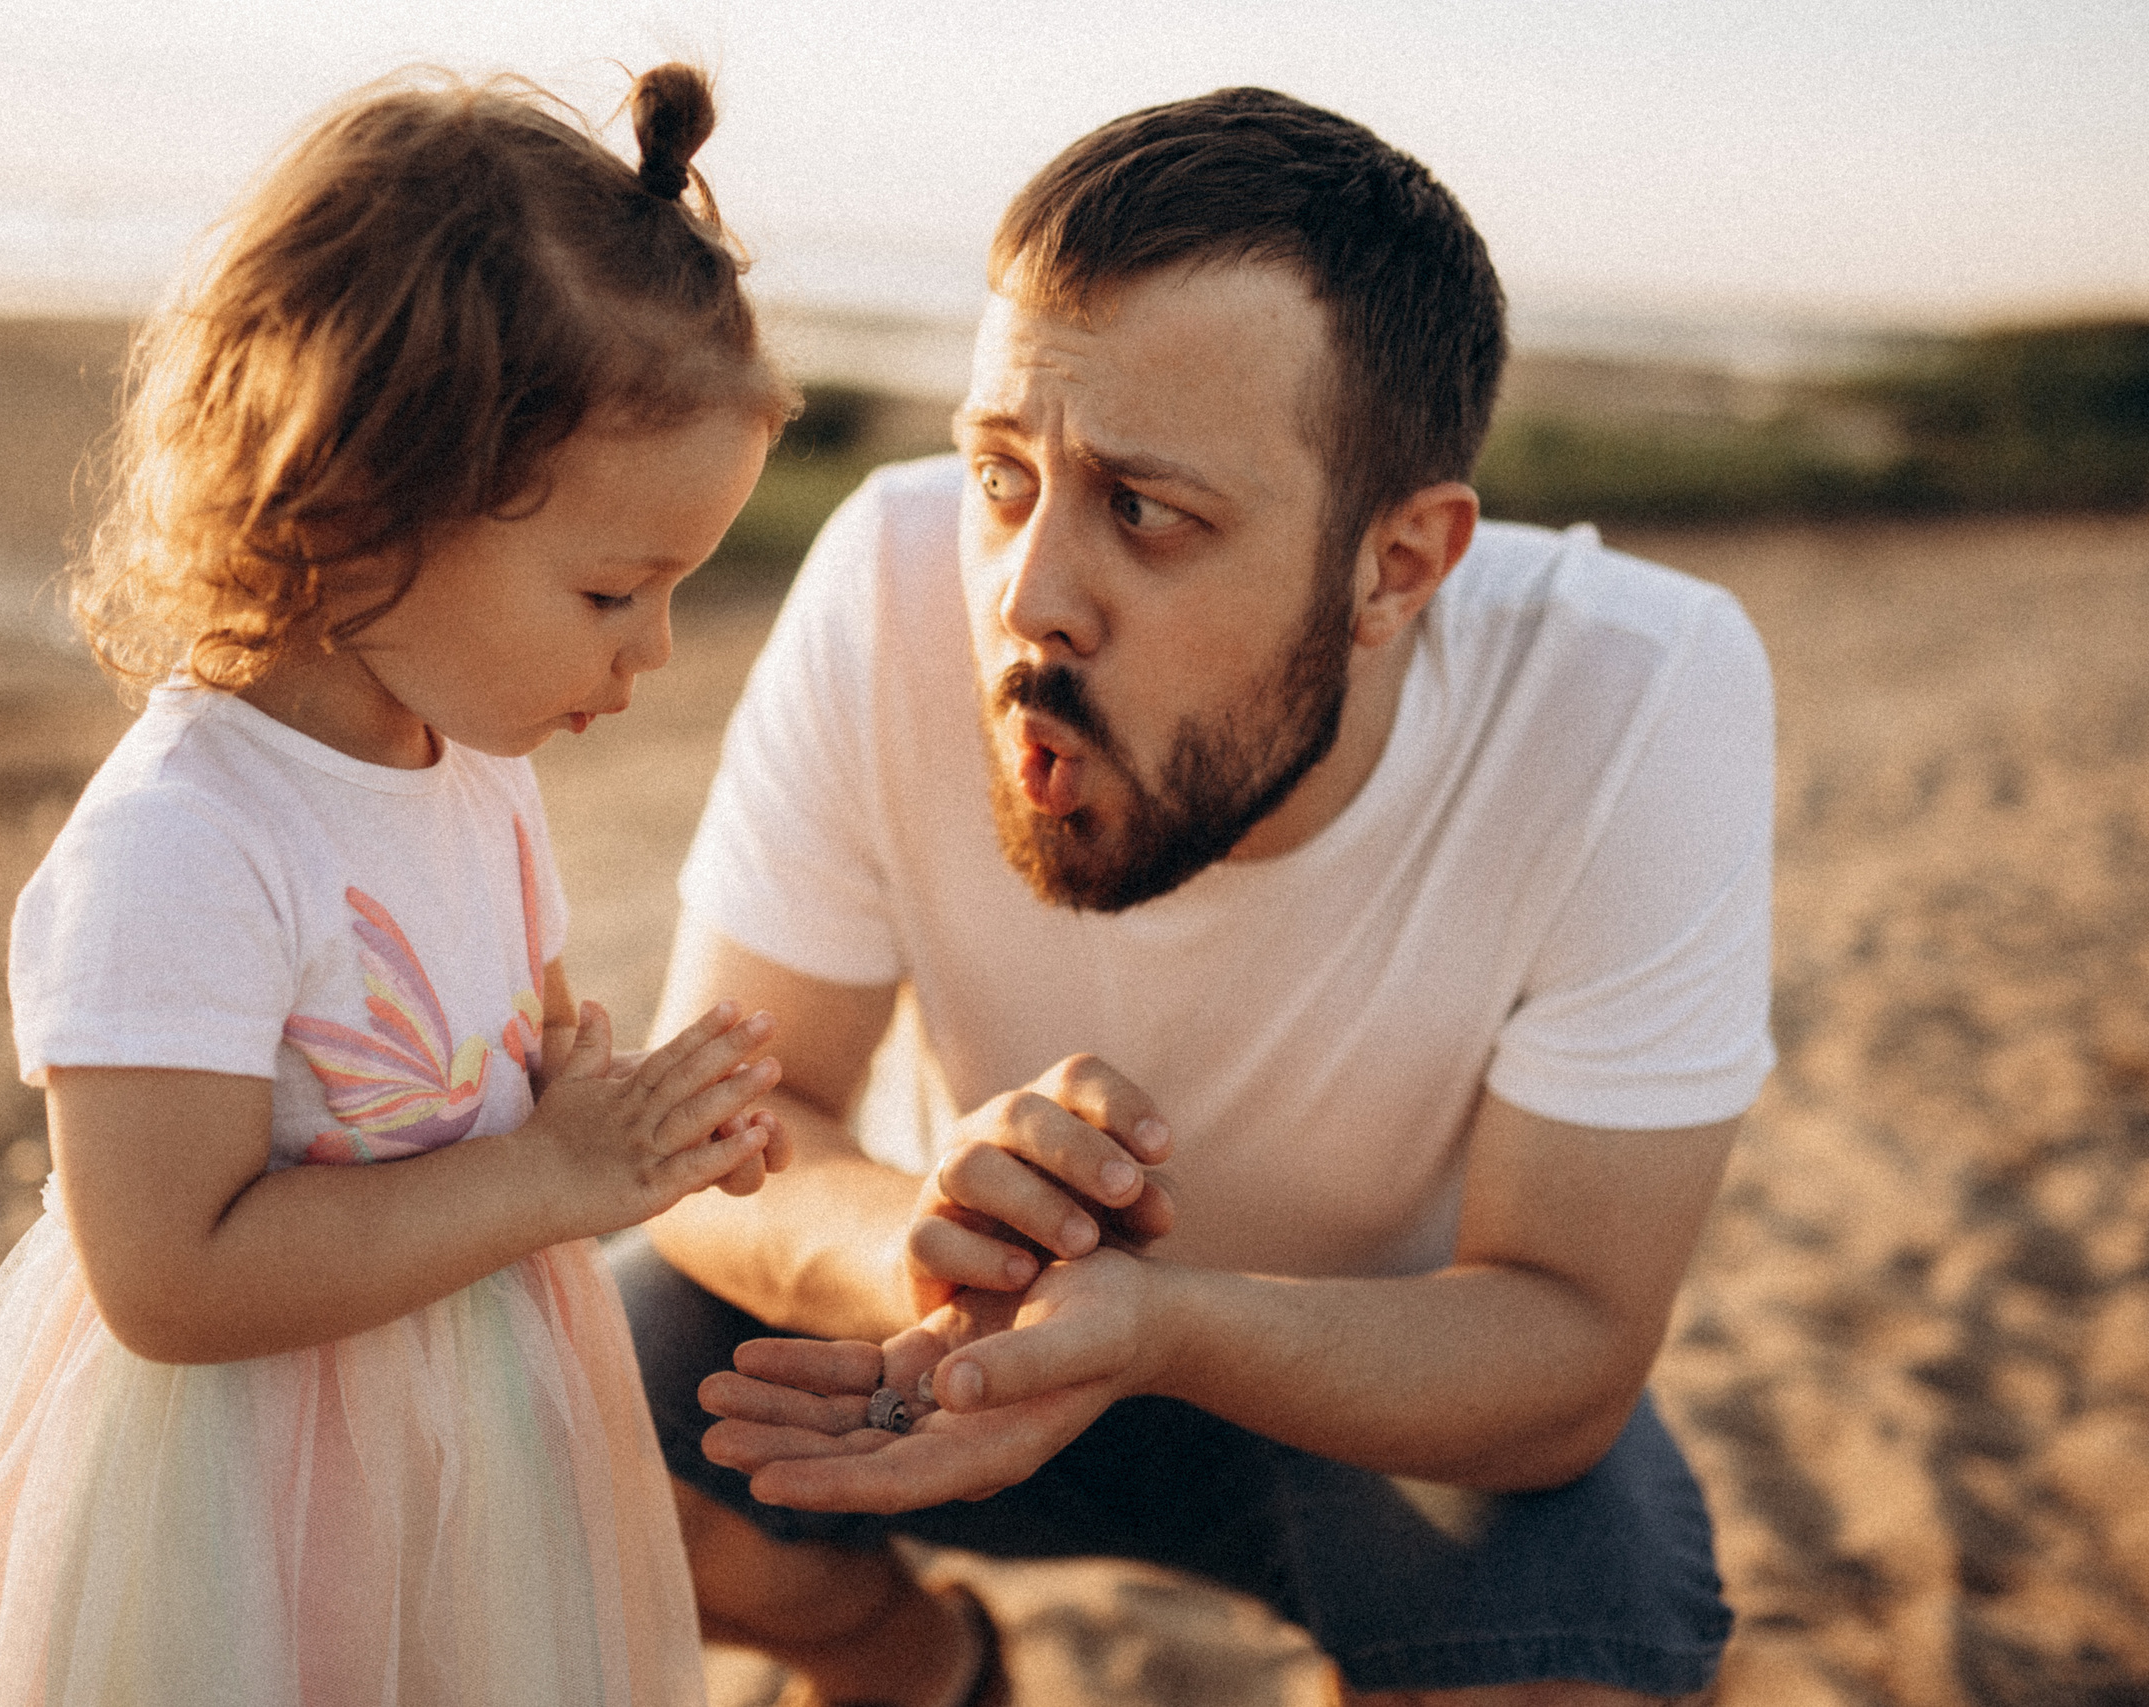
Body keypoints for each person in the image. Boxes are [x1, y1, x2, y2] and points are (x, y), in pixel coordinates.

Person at [618, 86, 1774, 1706]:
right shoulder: (889, 576)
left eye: (1146, 512)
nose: (1024, 599)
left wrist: (1160, 1324)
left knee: (1573, 1666)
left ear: (1399, 567)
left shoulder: (1633, 691)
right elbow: (725, 1135)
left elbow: (1568, 1344)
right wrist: (923, 1247)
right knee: (557, 1422)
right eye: (1003, 473)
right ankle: (919, 1669)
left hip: (1378, 1392)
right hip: (956, 1346)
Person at [0, 63, 799, 1707]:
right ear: (360, 506)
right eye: (611, 590)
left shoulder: (477, 767)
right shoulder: (186, 837)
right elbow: (168, 1275)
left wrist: (622, 1114)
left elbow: (516, 1065)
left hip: (477, 1444)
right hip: (234, 1495)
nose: (655, 653)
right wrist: (548, 1180)